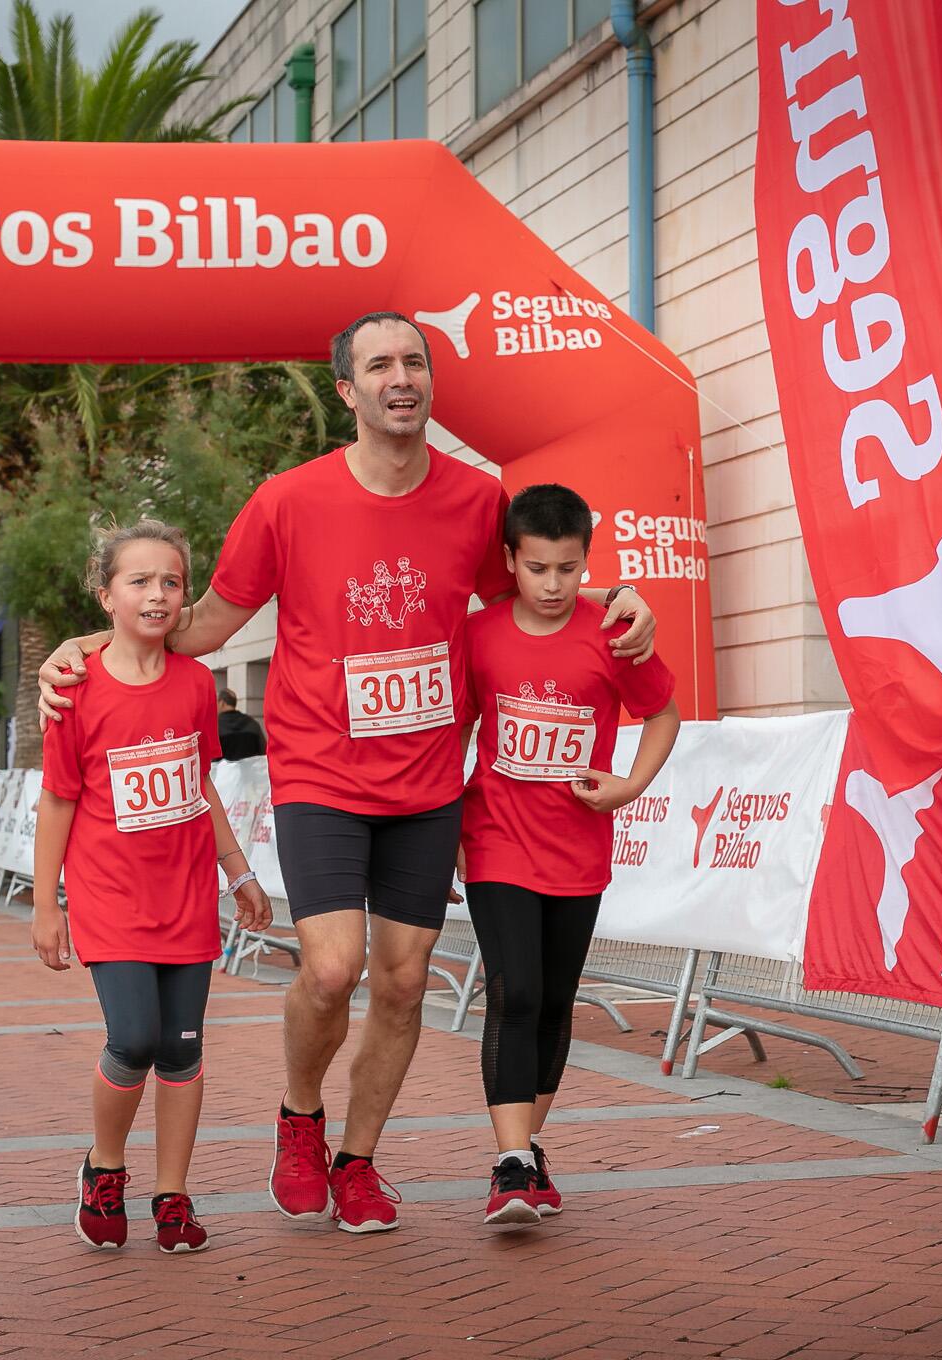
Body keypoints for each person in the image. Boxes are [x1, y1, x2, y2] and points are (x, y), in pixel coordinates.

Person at [40, 311, 657, 1234]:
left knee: (405, 985)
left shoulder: (479, 500)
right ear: (347, 390)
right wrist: (87, 644)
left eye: (414, 362)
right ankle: (299, 1115)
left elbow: (537, 595)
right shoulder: (289, 501)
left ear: (428, 383)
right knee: (332, 970)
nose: (399, 377)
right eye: (379, 365)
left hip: (427, 783)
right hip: (321, 773)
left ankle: (358, 1161)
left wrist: (621, 598)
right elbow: (202, 623)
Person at [32, 517, 273, 1255]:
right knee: (133, 1038)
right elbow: (59, 801)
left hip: (187, 898)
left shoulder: (198, 684)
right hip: (109, 898)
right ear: (106, 596)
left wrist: (240, 872)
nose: (158, 594)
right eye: (139, 581)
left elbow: (196, 785)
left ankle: (173, 1195)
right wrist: (47, 906)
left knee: (183, 1046)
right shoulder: (74, 689)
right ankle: (104, 1169)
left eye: (171, 582)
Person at [456, 484, 679, 1226]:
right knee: (514, 992)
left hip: (579, 849)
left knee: (553, 1003)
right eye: (539, 568)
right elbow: (450, 732)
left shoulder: (614, 632)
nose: (554, 586)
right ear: (511, 560)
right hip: (495, 844)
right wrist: (446, 833)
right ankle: (511, 1164)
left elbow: (663, 714)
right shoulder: (479, 635)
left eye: (570, 569)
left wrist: (630, 786)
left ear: (588, 561)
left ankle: (530, 1144)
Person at [216, 688, 266, 761]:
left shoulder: (215, 727)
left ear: (222, 703)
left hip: (223, 772)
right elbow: (263, 752)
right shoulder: (252, 723)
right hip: (249, 771)